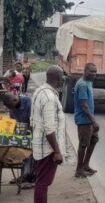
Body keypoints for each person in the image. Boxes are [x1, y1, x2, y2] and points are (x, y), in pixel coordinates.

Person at [31, 66, 65, 203]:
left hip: (41, 144)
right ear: (58, 78)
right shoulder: (50, 97)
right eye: (62, 76)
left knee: (42, 182)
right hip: (48, 149)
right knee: (43, 183)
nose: (63, 78)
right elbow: (49, 129)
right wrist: (57, 151)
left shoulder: (40, 91)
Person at [3, 93, 35, 186]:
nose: (10, 109)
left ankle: (30, 177)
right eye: (9, 107)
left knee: (30, 154)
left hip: (31, 130)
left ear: (15, 100)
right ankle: (24, 175)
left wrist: (28, 134)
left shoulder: (28, 102)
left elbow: (33, 120)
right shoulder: (12, 106)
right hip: (21, 131)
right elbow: (12, 121)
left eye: (10, 107)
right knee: (21, 153)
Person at [74, 63, 99, 178]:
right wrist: (93, 121)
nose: (94, 74)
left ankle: (85, 165)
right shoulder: (82, 85)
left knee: (94, 139)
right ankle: (79, 170)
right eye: (91, 72)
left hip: (89, 119)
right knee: (83, 145)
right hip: (84, 120)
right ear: (85, 71)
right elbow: (84, 106)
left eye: (95, 72)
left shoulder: (88, 82)